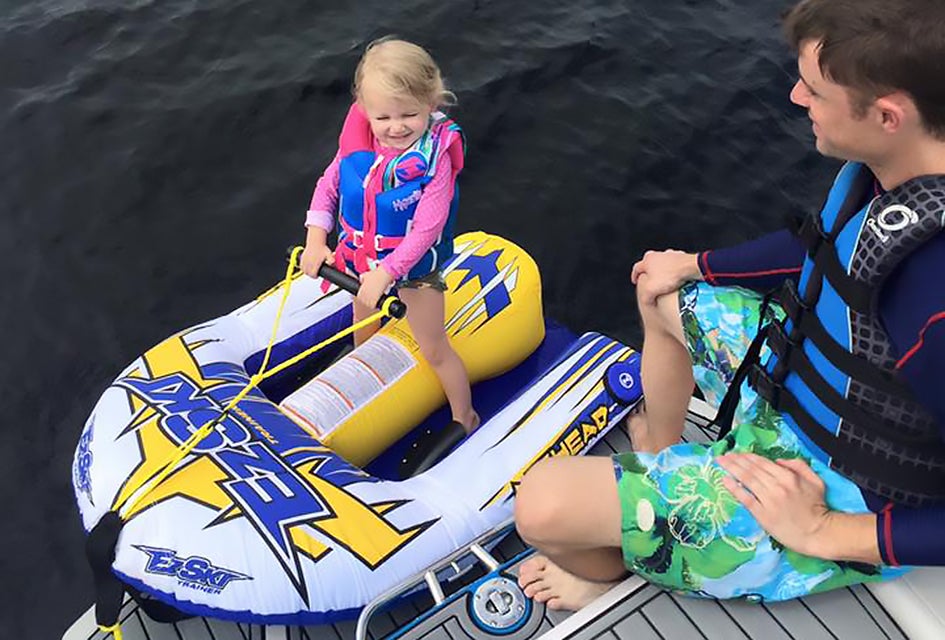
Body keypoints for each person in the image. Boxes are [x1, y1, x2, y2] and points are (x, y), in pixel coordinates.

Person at [514, 0, 945, 611]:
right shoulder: (897, 168)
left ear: (887, 115)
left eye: (815, 90)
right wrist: (695, 265)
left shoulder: (936, 303)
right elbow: (826, 248)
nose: (796, 97)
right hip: (801, 383)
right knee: (660, 290)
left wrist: (823, 529)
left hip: (835, 486)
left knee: (542, 505)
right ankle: (662, 455)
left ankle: (610, 577)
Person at [300, 37, 479, 436]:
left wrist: (389, 272)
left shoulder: (435, 159)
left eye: (409, 114)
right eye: (383, 117)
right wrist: (316, 239)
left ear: (431, 103)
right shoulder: (358, 143)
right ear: (364, 110)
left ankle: (465, 415)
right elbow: (328, 186)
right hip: (362, 259)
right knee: (361, 321)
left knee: (433, 347)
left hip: (414, 271)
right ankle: (365, 374)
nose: (396, 127)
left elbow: (428, 227)